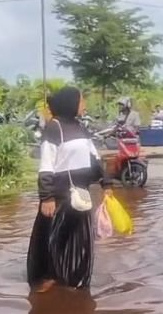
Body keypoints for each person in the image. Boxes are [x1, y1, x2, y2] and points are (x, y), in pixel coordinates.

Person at [28, 86, 111, 293]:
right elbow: (46, 164)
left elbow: (94, 158)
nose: (84, 105)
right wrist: (46, 197)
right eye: (81, 101)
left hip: (81, 195)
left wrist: (106, 183)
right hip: (59, 197)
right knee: (53, 239)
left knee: (82, 242)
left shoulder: (80, 127)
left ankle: (77, 282)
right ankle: (48, 278)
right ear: (70, 103)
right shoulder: (54, 128)